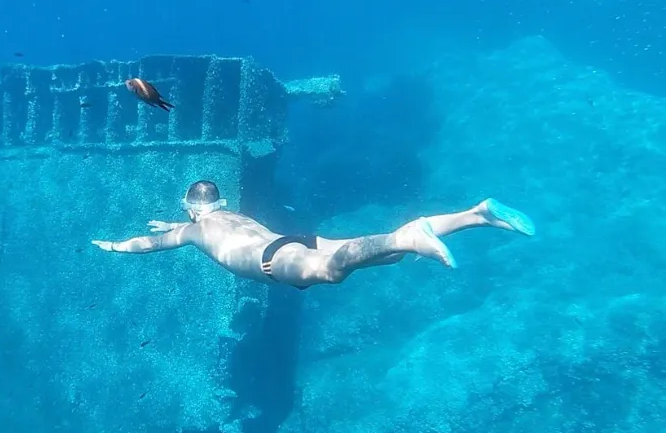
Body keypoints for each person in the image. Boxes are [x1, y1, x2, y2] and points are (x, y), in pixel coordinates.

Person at [91, 181, 535, 289]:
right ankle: (477, 215)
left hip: (272, 260)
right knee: (382, 253)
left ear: (189, 208)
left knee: (330, 272)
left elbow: (149, 245)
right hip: (291, 239)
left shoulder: (192, 231)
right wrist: (181, 223)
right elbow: (206, 223)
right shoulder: (227, 215)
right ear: (219, 202)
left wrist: (114, 247)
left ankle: (409, 237)